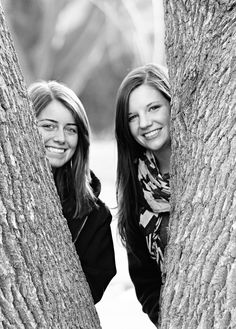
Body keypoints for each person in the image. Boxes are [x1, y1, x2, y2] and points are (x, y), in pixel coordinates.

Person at [28, 80, 116, 304]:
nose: (60, 138)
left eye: (71, 129)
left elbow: (90, 292)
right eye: (48, 126)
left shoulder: (95, 216)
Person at [115, 63, 171, 325]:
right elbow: (146, 282)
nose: (145, 123)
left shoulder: (211, 167)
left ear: (172, 103)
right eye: (132, 116)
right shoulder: (136, 187)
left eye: (153, 108)